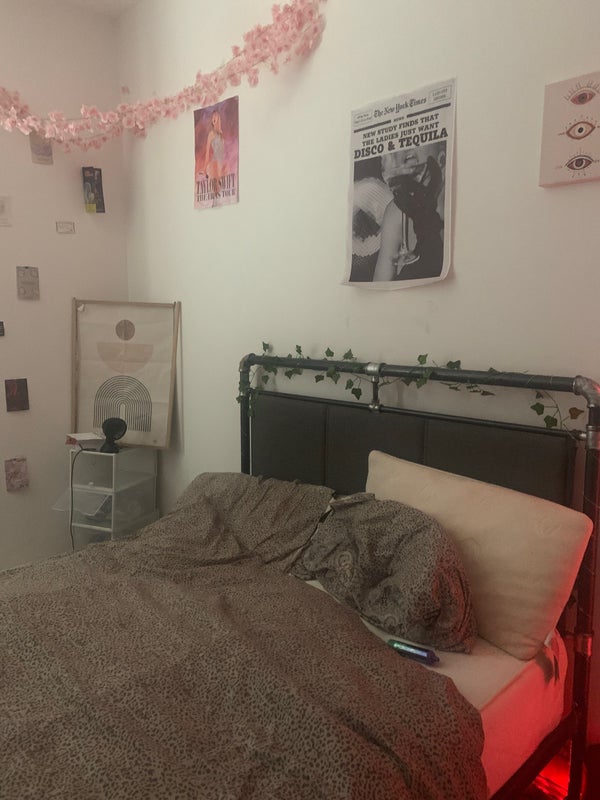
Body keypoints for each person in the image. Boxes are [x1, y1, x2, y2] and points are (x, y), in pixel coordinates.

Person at [373, 144, 445, 282]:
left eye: (418, 140)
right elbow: (379, 285)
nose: (406, 148)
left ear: (442, 160)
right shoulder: (396, 212)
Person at [202, 110, 226, 196]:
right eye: (212, 118)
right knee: (215, 191)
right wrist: (204, 169)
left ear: (218, 119)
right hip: (215, 162)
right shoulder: (211, 134)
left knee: (220, 190)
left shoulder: (221, 133)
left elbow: (222, 150)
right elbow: (207, 152)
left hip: (221, 162)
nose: (213, 119)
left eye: (215, 117)